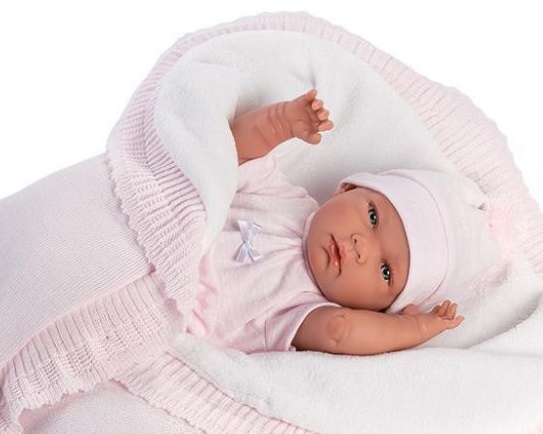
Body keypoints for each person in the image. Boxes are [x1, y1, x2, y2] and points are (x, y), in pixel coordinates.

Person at [186, 89, 499, 355]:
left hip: (177, 313)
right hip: (175, 229)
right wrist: (280, 122)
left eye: (385, 271)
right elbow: (233, 152)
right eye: (373, 218)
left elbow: (341, 331)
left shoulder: (304, 309)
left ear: (376, 310)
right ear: (347, 189)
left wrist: (411, 328)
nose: (362, 248)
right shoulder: (283, 199)